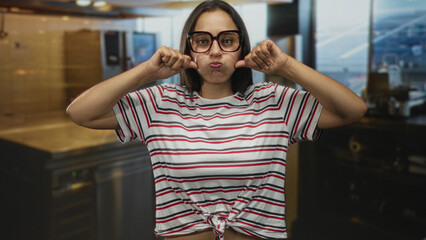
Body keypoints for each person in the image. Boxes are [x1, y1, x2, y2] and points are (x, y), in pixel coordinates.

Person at [66, 0, 367, 239]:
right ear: (190, 48)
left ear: (241, 45)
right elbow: (80, 113)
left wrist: (286, 65)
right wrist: (147, 72)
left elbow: (352, 110)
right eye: (202, 41)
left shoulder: (274, 102)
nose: (214, 52)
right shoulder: (160, 103)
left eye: (226, 40)